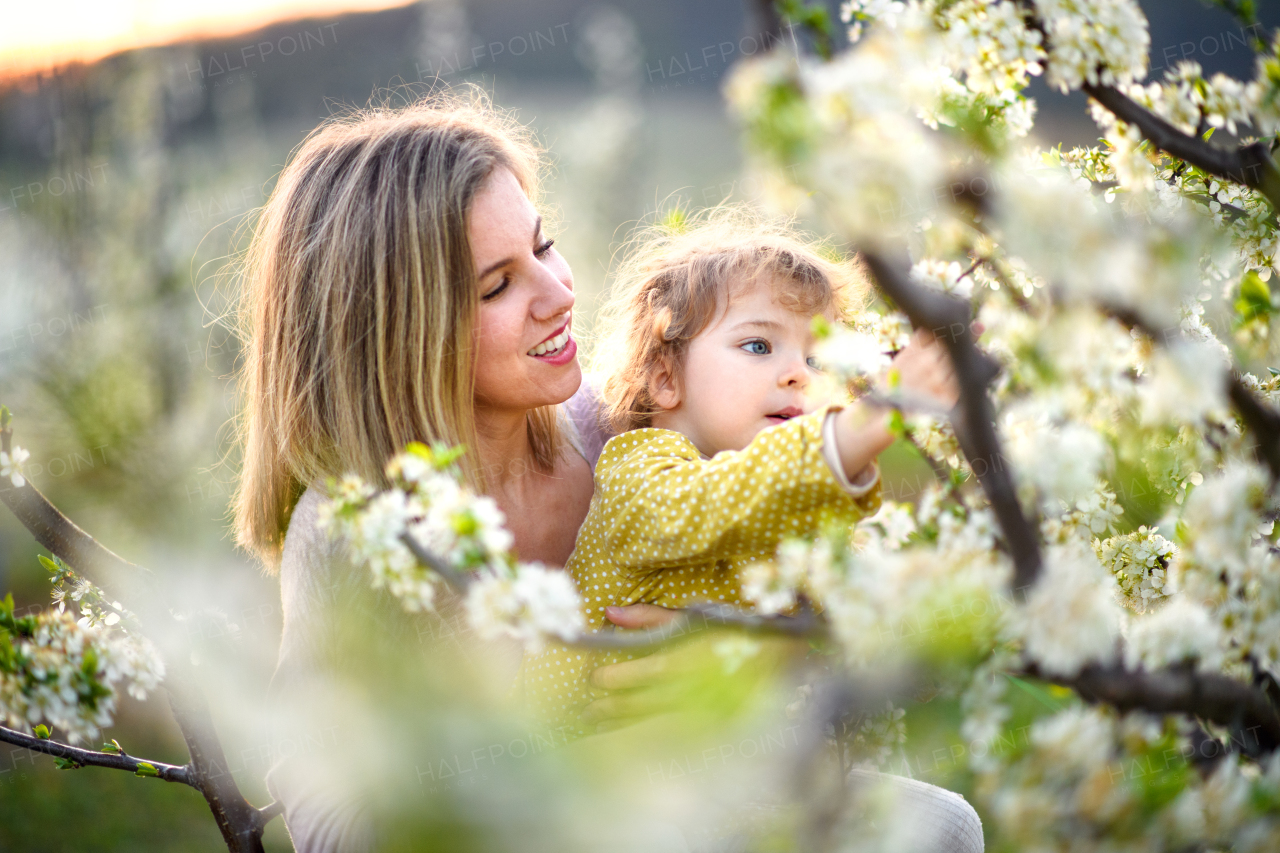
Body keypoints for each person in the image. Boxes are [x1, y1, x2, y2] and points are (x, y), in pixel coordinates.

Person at [232, 91, 981, 853]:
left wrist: (757, 654)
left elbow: (786, 538)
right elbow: (329, 815)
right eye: (498, 285)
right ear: (402, 330)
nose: (558, 294)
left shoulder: (616, 430)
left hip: (713, 800)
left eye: (545, 246)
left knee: (943, 825)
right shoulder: (351, 528)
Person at [517, 212, 943, 734]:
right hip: (589, 766)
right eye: (759, 346)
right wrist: (858, 431)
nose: (797, 375)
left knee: (954, 818)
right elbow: (697, 509)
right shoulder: (638, 466)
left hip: (720, 772)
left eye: (818, 359)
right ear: (666, 377)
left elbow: (875, 643)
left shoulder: (793, 506)